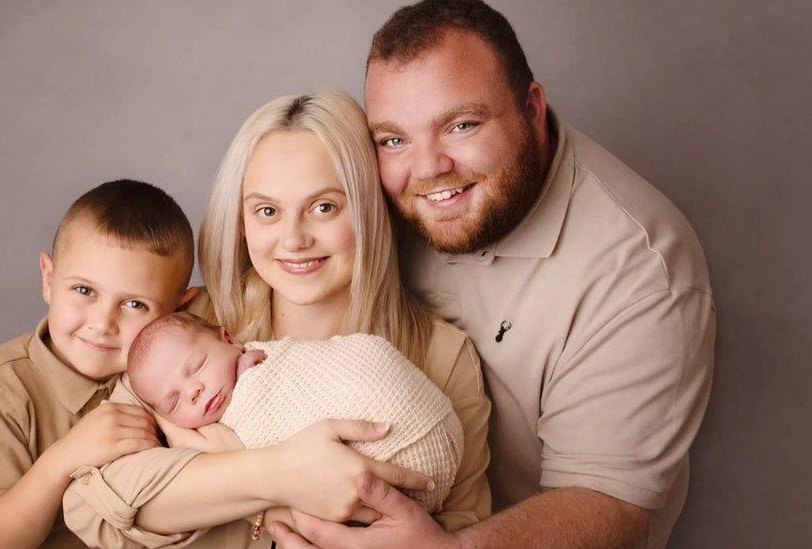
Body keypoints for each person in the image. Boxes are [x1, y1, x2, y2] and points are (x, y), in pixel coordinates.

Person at [271, 1, 716, 548]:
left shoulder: (641, 269)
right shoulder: (376, 194)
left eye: (461, 125)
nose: (429, 169)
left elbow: (610, 506)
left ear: (531, 108)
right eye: (394, 139)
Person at [61, 90, 492, 548]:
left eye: (324, 207)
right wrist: (278, 477)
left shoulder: (443, 354)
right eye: (267, 211)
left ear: (369, 209)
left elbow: (463, 532)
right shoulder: (192, 329)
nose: (293, 239)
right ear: (242, 222)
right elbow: (91, 506)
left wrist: (218, 476)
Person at [0, 179, 198, 547]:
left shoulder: (166, 374)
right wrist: (64, 458)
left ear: (178, 309)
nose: (102, 324)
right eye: (84, 291)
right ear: (48, 278)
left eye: (135, 305)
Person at [121, 311, 465, 514]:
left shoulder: (262, 361)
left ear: (228, 338)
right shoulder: (198, 437)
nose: (193, 392)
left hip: (412, 429)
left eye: (196, 366)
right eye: (174, 402)